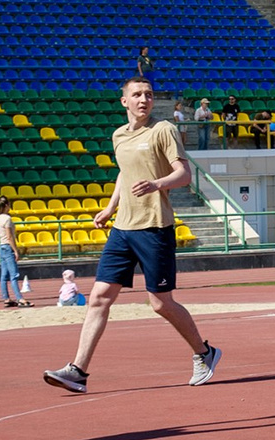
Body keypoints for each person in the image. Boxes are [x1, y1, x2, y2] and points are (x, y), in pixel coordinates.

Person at [43, 76, 221, 393]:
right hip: (123, 229)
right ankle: (78, 371)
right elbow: (125, 173)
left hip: (154, 226)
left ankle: (204, 353)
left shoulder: (162, 129)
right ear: (124, 100)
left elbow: (184, 174)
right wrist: (111, 207)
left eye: (148, 94)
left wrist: (156, 184)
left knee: (160, 304)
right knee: (99, 298)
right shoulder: (119, 136)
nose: (144, 99)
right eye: (137, 94)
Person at [0, 195, 26, 307]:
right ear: (7, 205)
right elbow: (10, 237)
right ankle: (20, 298)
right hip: (8, 247)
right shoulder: (7, 219)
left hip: (1, 247)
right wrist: (16, 250)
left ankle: (6, 298)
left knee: (4, 275)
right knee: (14, 275)